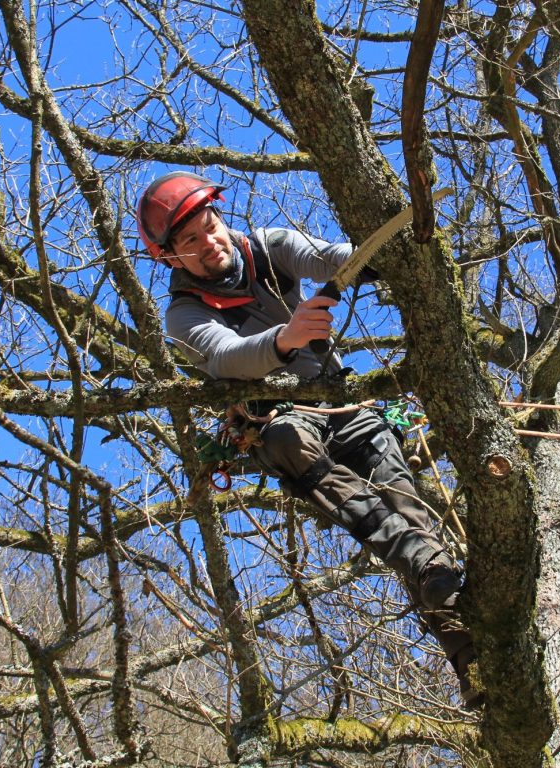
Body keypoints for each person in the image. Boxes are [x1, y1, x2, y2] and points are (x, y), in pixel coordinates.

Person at [136, 171, 479, 707]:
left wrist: (377, 256)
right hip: (283, 416)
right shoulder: (183, 316)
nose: (210, 244)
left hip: (342, 401)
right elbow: (227, 357)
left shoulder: (270, 247)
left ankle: (470, 659)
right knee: (286, 441)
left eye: (211, 227)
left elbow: (330, 258)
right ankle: (430, 574)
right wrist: (287, 337)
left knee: (410, 518)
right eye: (190, 241)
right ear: (171, 258)